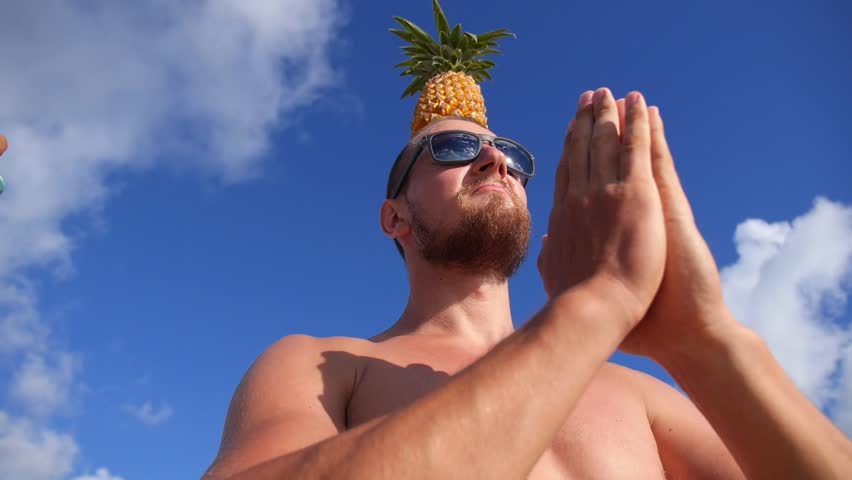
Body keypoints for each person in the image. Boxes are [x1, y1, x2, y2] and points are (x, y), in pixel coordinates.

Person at [201, 89, 852, 479]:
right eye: (454, 149)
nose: (495, 160)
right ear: (394, 216)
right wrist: (595, 306)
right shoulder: (323, 367)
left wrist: (706, 343)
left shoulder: (637, 395)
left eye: (512, 157)